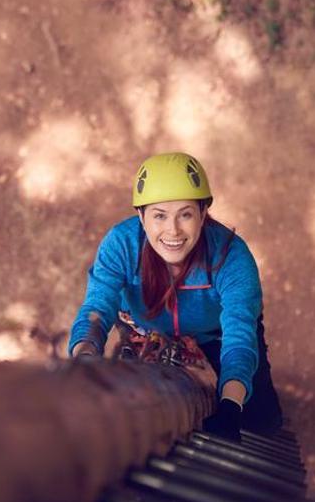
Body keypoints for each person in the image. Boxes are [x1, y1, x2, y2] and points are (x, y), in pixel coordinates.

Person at [68, 152, 283, 440]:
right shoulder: (121, 244)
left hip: (215, 333)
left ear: (203, 213)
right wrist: (84, 358)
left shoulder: (231, 256)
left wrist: (231, 404)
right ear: (141, 217)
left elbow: (239, 334)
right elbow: (97, 307)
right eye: (159, 215)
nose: (173, 230)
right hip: (144, 330)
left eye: (185, 214)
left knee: (262, 421)